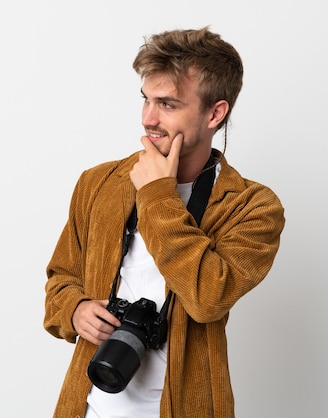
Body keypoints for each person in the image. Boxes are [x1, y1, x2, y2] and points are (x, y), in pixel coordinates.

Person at [43, 26, 285, 418]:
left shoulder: (253, 207)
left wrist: (157, 195)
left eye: (168, 104)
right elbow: (59, 280)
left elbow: (208, 299)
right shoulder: (98, 183)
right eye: (146, 100)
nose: (148, 118)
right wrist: (75, 309)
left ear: (215, 113)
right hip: (88, 406)